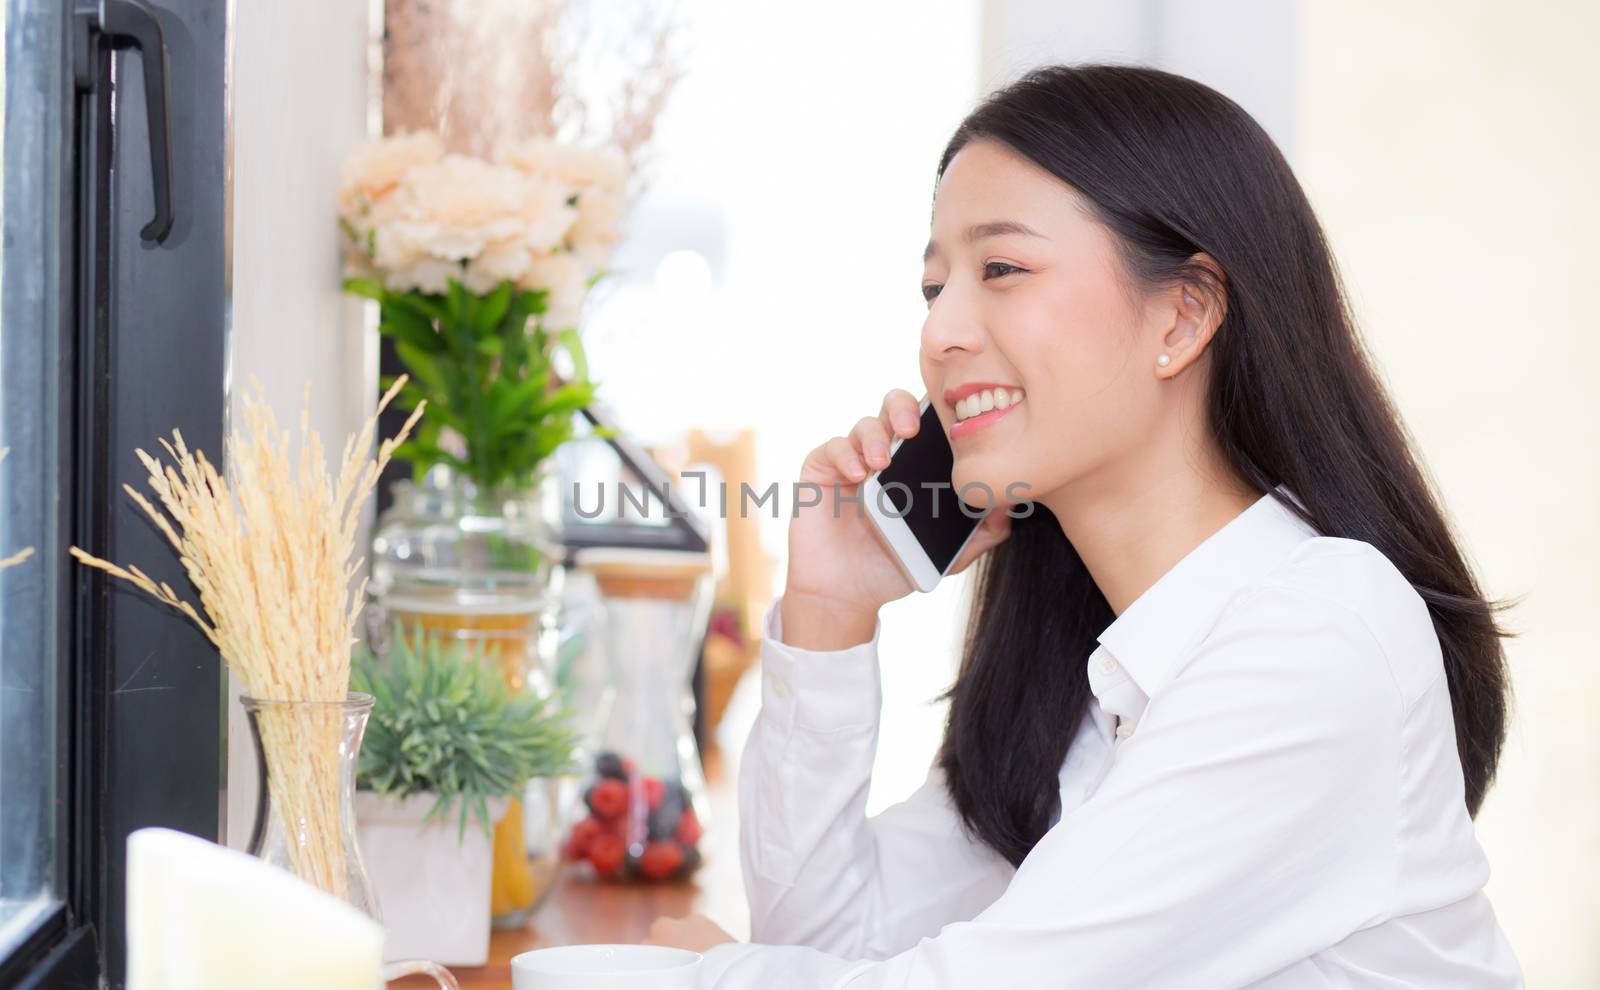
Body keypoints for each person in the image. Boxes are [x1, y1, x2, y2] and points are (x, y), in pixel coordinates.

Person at [644, 63, 1525, 989]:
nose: (941, 332)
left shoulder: (1318, 635)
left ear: (1183, 316)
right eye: (934, 287)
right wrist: (830, 605)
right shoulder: (1081, 676)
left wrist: (690, 976)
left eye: (1002, 270)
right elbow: (823, 945)